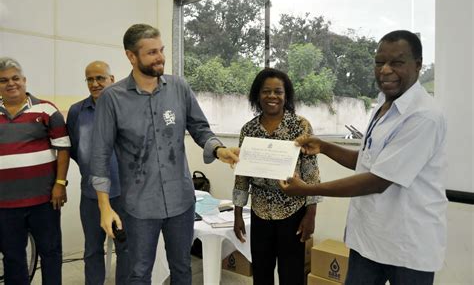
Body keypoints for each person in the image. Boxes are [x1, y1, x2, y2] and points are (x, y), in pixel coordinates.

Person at [279, 30, 447, 285]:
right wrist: (324, 146)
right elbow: (367, 161)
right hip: (368, 240)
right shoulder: (384, 105)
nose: (386, 70)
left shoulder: (423, 116)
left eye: (397, 62)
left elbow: (378, 180)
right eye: (380, 62)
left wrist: (307, 189)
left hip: (407, 246)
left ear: (418, 65)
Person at [89, 23, 240, 285]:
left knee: (182, 268)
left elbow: (200, 128)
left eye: (161, 50)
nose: (160, 57)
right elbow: (100, 155)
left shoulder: (178, 87)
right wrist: (105, 207)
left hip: (181, 201)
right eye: (151, 53)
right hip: (139, 206)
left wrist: (219, 150)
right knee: (139, 272)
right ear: (131, 56)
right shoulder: (112, 99)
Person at [233, 68, 322, 285]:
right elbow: (242, 176)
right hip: (259, 211)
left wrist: (311, 215)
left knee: (291, 274)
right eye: (266, 91)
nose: (272, 96)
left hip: (293, 212)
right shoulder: (249, 130)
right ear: (257, 95)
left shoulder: (300, 126)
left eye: (278, 92)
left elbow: (311, 173)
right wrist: (237, 214)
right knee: (261, 273)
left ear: (286, 95)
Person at [0, 57, 70, 285]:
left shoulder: (46, 109)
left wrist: (60, 184)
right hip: (5, 205)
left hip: (44, 201)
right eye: (3, 80)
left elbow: (63, 149)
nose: (11, 84)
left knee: (50, 253)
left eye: (15, 78)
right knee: (13, 258)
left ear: (24, 80)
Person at [67, 61, 129, 284]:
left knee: (126, 249)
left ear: (112, 79)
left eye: (100, 78)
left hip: (124, 193)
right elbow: (75, 150)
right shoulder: (77, 112)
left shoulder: (126, 108)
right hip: (91, 195)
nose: (95, 83)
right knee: (92, 250)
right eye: (90, 79)